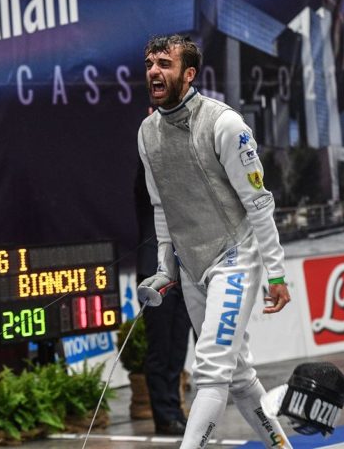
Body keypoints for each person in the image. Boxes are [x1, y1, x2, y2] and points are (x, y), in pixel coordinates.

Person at [136, 34, 293, 448]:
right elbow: (161, 206)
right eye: (151, 62)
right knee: (238, 376)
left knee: (209, 370)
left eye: (165, 64)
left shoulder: (224, 124)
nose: (154, 70)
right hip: (191, 267)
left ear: (188, 74)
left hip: (235, 258)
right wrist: (164, 268)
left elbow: (259, 203)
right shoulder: (147, 134)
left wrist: (276, 272)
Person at [135, 155, 192, 436]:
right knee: (160, 347)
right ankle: (164, 416)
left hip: (182, 271)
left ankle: (176, 410)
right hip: (153, 273)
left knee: (178, 347)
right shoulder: (147, 178)